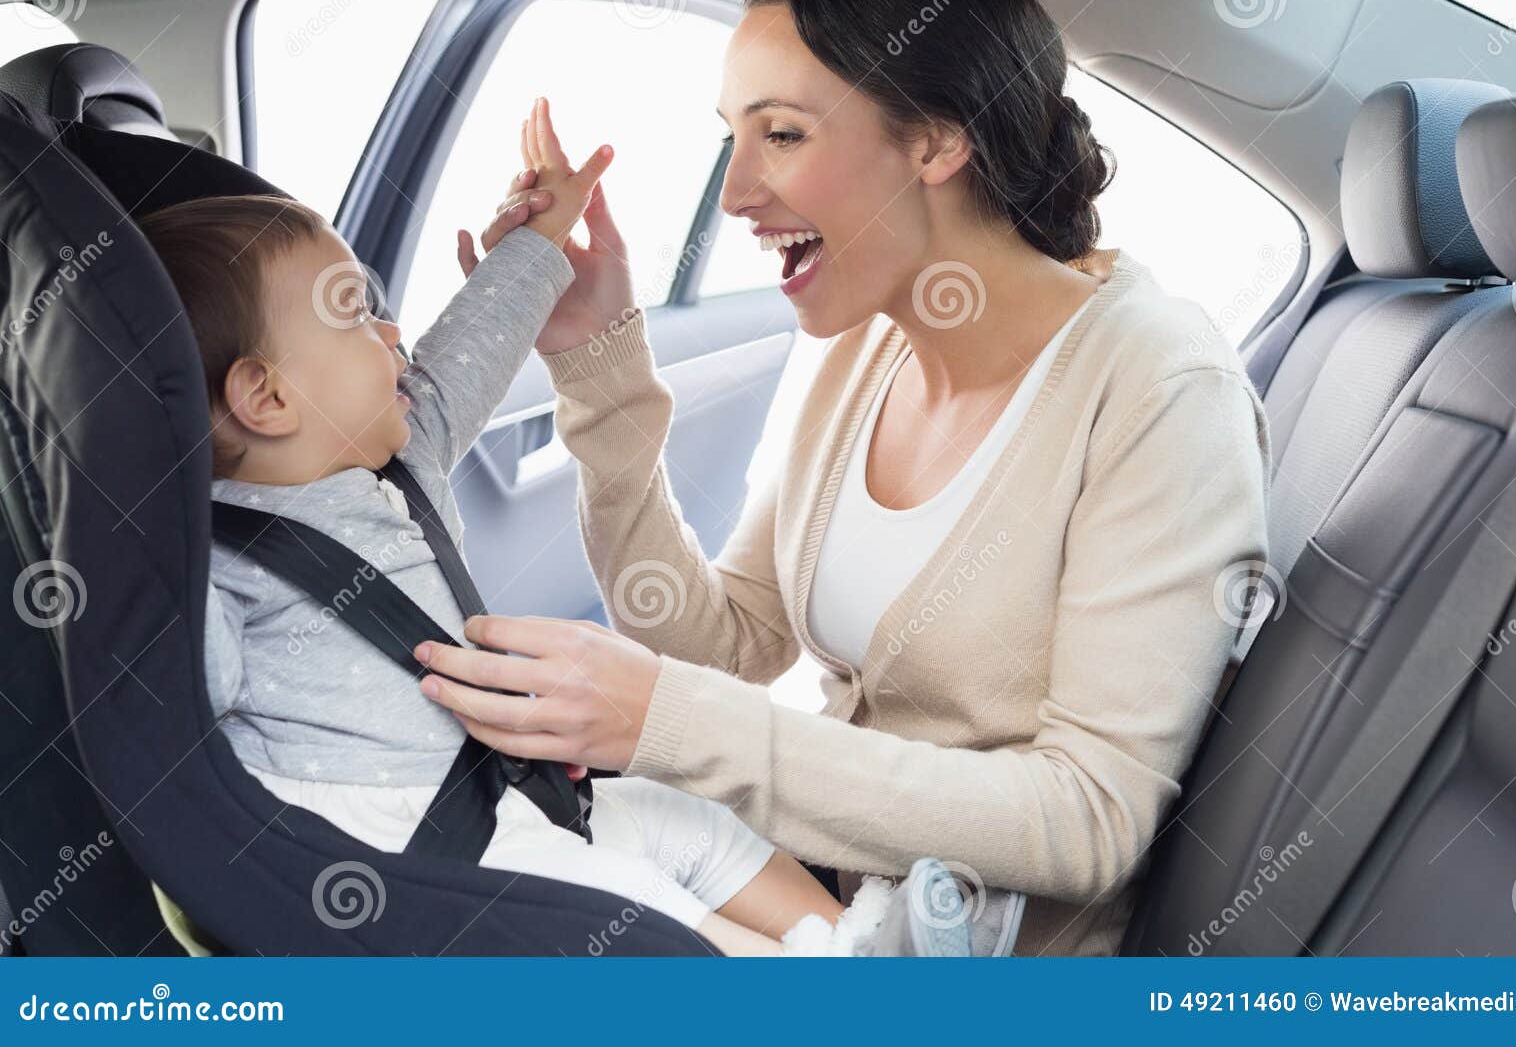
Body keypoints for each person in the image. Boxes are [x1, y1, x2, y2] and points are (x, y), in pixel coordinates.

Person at [416, 0, 1272, 956]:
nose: (734, 193)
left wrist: (668, 721)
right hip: (824, 901)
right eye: (733, 137)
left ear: (936, 141)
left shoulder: (1158, 388)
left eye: (781, 135)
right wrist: (598, 362)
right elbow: (728, 643)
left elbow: (1088, 819)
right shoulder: (866, 343)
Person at [143, 100, 977, 956]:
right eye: (355, 315)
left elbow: (470, 346)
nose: (394, 333)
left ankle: (866, 950)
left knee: (682, 817)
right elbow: (167, 738)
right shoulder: (211, 568)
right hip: (415, 864)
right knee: (637, 902)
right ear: (267, 396)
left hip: (512, 799)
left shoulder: (399, 455)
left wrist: (542, 241)